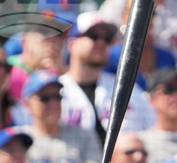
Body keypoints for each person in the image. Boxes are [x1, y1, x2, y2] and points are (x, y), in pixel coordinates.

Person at [59, 11, 154, 141]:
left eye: (107, 38)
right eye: (93, 36)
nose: (101, 42)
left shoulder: (128, 90)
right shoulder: (55, 91)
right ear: (72, 44)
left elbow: (153, 130)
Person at [18, 70, 102, 163]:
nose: (53, 103)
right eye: (45, 98)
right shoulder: (18, 137)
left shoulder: (84, 134)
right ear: (27, 104)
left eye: (57, 97)